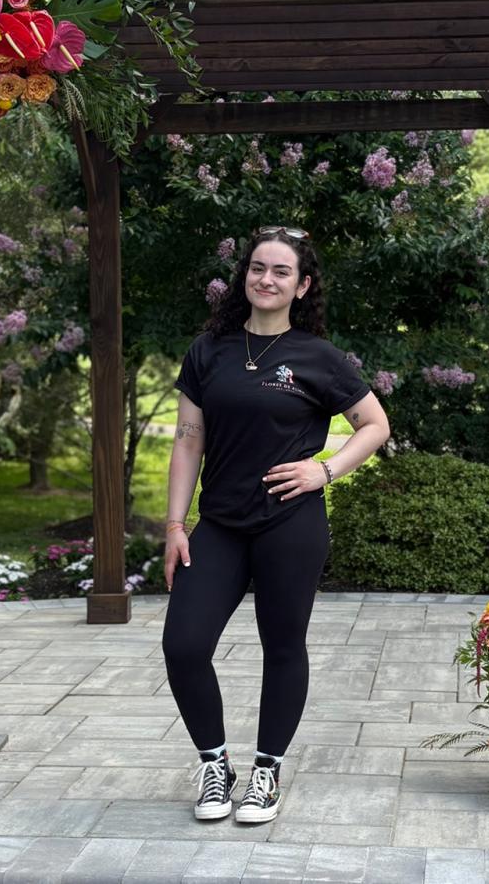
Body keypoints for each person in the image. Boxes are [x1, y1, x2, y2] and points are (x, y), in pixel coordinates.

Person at [162, 226, 391, 824]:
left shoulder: (319, 357)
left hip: (290, 524)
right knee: (183, 645)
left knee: (283, 646)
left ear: (302, 285)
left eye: (281, 271)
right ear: (245, 276)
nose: (266, 279)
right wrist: (175, 524)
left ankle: (267, 771)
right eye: (257, 268)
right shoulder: (209, 350)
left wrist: (325, 470)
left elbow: (375, 425)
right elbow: (188, 440)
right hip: (220, 523)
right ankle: (216, 766)